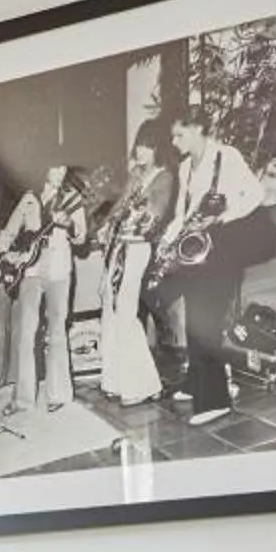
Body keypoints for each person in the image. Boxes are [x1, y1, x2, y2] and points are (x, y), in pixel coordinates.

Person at [157, 109, 276, 419]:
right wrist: (167, 242)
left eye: (179, 135)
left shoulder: (227, 156)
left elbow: (255, 194)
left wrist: (222, 217)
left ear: (198, 129)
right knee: (194, 317)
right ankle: (195, 383)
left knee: (207, 319)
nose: (174, 142)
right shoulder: (186, 167)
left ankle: (215, 402)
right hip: (198, 250)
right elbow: (182, 216)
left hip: (224, 246)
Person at [0, 161, 88, 414]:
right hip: (30, 272)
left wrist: (68, 224)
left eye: (63, 169)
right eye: (55, 168)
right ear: (44, 169)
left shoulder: (72, 199)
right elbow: (10, 231)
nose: (61, 174)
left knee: (57, 332)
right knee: (26, 334)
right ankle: (23, 399)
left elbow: (82, 237)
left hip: (59, 272)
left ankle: (58, 394)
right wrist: (4, 253)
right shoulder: (29, 199)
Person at [97, 122, 174, 405]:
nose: (140, 151)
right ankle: (115, 381)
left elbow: (155, 215)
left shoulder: (164, 178)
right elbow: (117, 208)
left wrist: (134, 213)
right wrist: (106, 226)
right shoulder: (135, 176)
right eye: (139, 144)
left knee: (127, 311)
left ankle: (143, 385)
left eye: (147, 145)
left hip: (139, 249)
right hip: (119, 247)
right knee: (111, 308)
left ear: (157, 148)